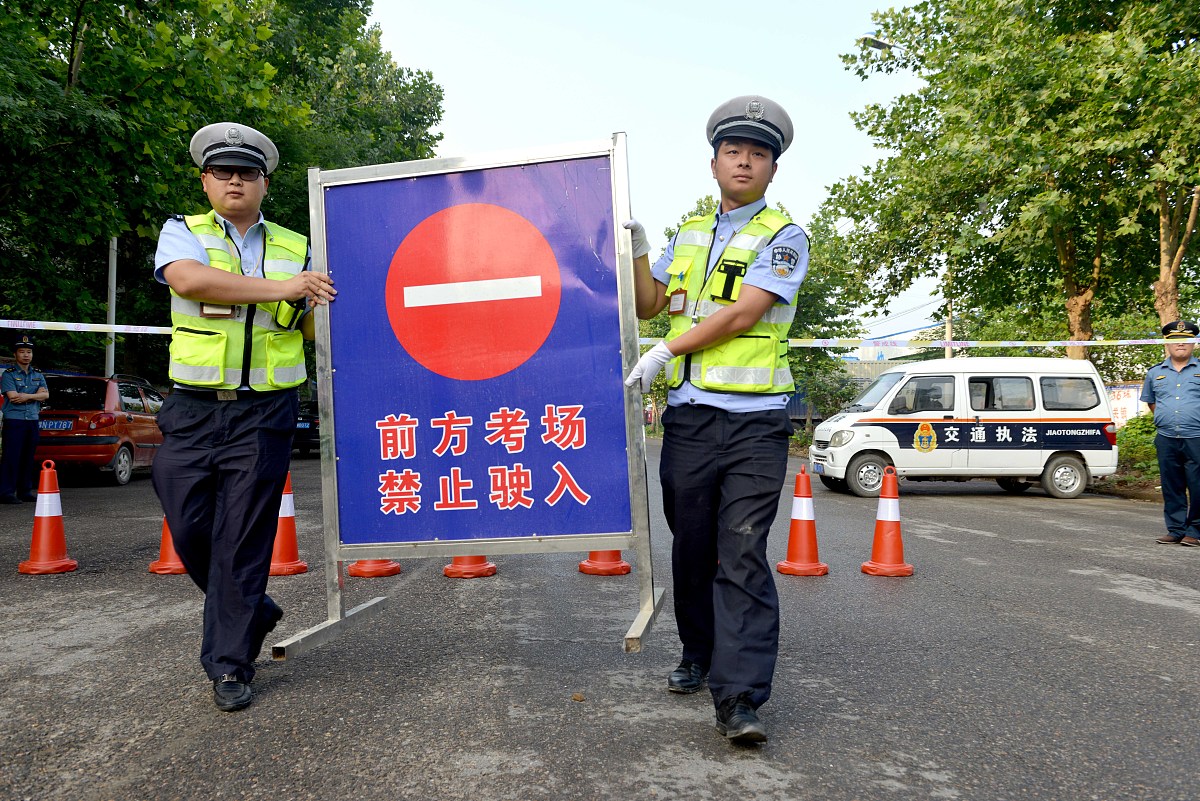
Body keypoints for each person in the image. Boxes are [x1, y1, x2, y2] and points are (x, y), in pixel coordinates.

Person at [624, 95, 809, 744]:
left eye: (759, 153)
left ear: (772, 170)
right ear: (714, 164)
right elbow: (650, 302)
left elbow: (744, 313)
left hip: (757, 425)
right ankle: (697, 652)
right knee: (694, 548)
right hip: (691, 423)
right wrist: (642, 249)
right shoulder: (691, 235)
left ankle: (740, 699)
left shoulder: (783, 236)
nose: (745, 161)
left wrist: (665, 350)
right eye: (735, 151)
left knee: (743, 554)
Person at [152, 122, 336, 712]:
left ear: (263, 183)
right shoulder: (183, 232)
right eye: (224, 171)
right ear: (206, 180)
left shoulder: (300, 245)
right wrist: (281, 286)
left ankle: (230, 664)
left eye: (247, 173)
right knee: (189, 531)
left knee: (244, 540)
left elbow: (313, 325)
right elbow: (188, 280)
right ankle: (253, 608)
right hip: (192, 410)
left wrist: (317, 301)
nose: (235, 180)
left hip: (264, 413)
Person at [1141, 319, 1200, 547]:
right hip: (1166, 438)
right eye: (1176, 341)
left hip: (1196, 437)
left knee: (1197, 485)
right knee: (1171, 485)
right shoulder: (1155, 373)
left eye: (1186, 340)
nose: (1181, 345)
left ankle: (1194, 530)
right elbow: (1152, 403)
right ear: (1167, 344)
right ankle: (1175, 530)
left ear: (1193, 343)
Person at [0, 335, 50, 504]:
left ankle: (25, 490)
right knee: (11, 456)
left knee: (28, 456)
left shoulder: (37, 374)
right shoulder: (9, 375)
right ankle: (6, 492)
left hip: (32, 420)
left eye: (29, 352)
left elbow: (46, 395)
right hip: (14, 420)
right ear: (15, 354)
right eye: (22, 352)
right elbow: (13, 397)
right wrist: (36, 396)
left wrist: (27, 396)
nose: (26, 355)